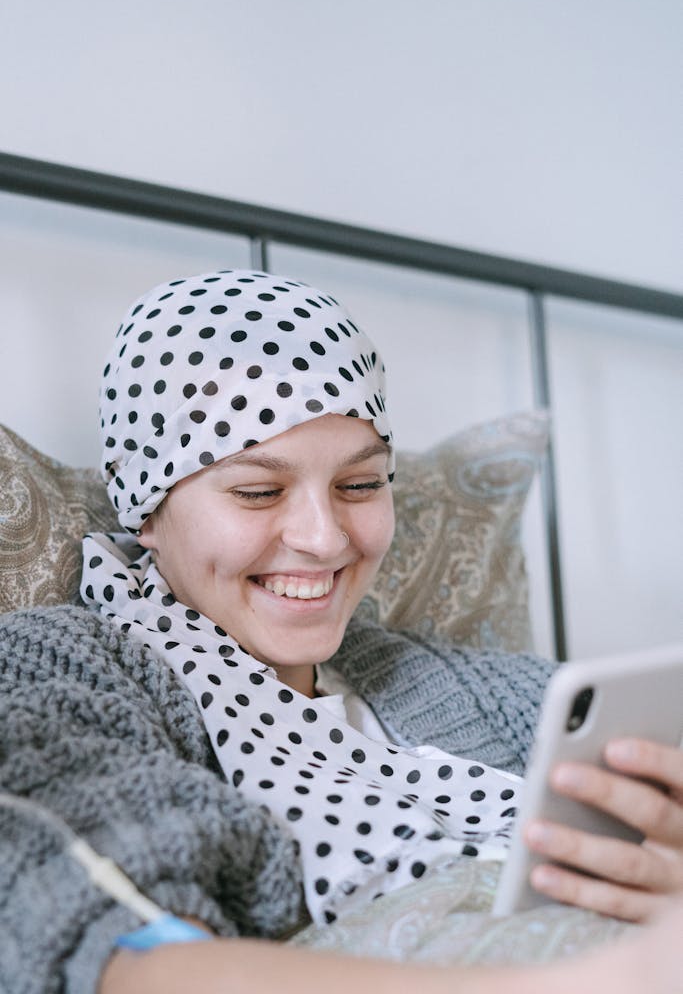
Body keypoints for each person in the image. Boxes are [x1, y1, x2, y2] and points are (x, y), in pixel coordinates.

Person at [0, 269, 681, 994]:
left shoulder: (477, 688)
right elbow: (119, 952)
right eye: (258, 491)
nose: (324, 541)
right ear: (146, 507)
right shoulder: (62, 670)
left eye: (359, 485)